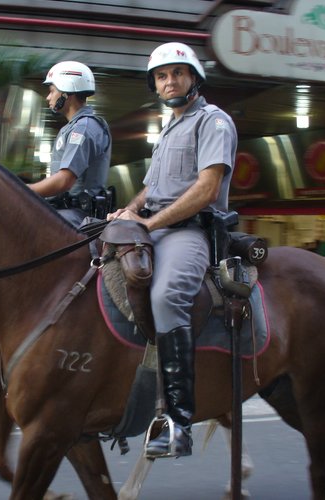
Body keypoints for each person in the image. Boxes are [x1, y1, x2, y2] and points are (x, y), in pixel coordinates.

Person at [108, 42, 237, 458]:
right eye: (161, 76)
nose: (169, 81)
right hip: (154, 227)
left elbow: (207, 188)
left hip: (188, 232)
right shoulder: (168, 129)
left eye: (177, 73)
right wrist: (128, 211)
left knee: (166, 297)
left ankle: (177, 421)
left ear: (194, 78)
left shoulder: (213, 121)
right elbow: (152, 188)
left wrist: (148, 223)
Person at [29, 61, 112, 226]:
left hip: (75, 218)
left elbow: (64, 181)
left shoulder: (83, 128)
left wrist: (22, 189)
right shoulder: (74, 127)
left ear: (67, 92)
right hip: (64, 212)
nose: (48, 97)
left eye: (52, 91)